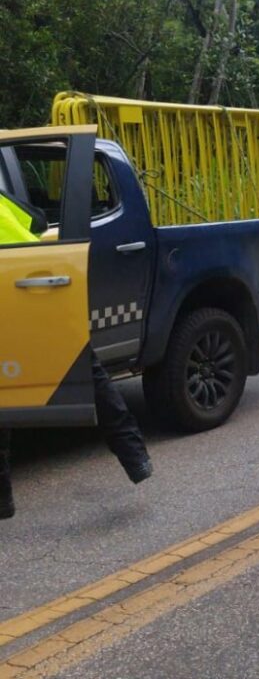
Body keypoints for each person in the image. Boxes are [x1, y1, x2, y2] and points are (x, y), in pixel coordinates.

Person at [0, 191, 152, 520]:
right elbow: (37, 220)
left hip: (24, 295)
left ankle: (133, 454)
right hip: (29, 292)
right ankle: (134, 455)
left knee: (79, 369)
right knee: (78, 369)